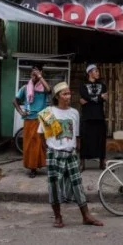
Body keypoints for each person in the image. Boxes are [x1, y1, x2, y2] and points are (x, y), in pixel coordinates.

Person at [37, 82, 104, 228]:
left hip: (71, 153)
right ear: (57, 96)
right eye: (65, 94)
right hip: (54, 154)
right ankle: (58, 216)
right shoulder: (48, 112)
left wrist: (77, 149)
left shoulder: (74, 112)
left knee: (77, 184)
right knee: (54, 186)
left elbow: (77, 135)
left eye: (69, 93)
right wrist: (49, 150)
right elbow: (41, 135)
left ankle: (86, 215)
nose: (68, 96)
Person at [13, 64, 50, 178]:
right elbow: (15, 100)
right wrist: (20, 111)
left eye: (37, 72)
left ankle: (42, 164)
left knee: (43, 144)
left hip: (43, 118)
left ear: (41, 73)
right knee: (31, 145)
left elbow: (49, 90)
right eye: (33, 72)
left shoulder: (43, 87)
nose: (34, 74)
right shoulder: (25, 88)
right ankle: (32, 168)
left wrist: (40, 77)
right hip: (29, 119)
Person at [79, 64, 108, 171]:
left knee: (101, 140)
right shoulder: (83, 85)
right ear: (90, 72)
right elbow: (84, 96)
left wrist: (89, 99)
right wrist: (99, 97)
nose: (98, 73)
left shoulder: (103, 85)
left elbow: (103, 98)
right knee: (85, 140)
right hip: (87, 116)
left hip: (99, 116)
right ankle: (82, 163)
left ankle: (102, 163)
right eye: (96, 71)